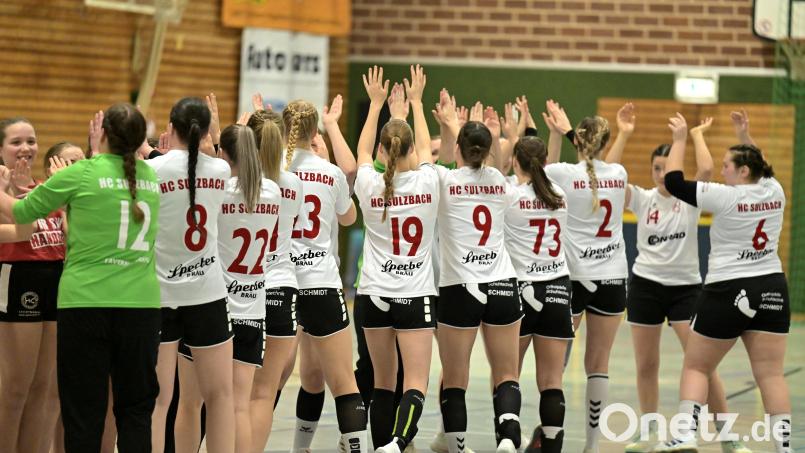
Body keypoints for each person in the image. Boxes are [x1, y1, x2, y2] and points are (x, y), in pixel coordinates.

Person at [0, 103, 162, 452]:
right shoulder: (150, 176)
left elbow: (24, 212)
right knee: (135, 412)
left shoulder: (82, 173)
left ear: (101, 134)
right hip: (142, 306)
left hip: (87, 303)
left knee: (83, 412)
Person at [603, 105, 751, 453]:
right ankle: (649, 428)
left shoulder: (690, 199)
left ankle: (726, 434)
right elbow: (610, 176)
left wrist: (693, 136)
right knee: (647, 364)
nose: (660, 173)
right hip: (645, 287)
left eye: (666, 167)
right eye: (656, 167)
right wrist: (623, 133)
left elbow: (707, 168)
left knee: (702, 363)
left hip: (685, 288)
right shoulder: (641, 198)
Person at [656, 113, 790, 453]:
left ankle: (686, 433)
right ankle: (785, 447)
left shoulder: (724, 196)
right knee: (772, 374)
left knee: (697, 365)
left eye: (729, 164)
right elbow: (766, 167)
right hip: (772, 287)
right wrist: (744, 133)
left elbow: (673, 181)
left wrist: (682, 138)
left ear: (744, 171)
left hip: (729, 288)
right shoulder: (775, 190)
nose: (723, 169)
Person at [430, 96, 523, 453]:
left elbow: (433, 154)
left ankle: (455, 445)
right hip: (501, 283)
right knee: (506, 375)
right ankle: (508, 442)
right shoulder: (500, 181)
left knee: (454, 377)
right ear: (488, 152)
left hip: (460, 287)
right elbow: (495, 161)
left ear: (457, 148)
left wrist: (448, 121)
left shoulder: (444, 181)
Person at [354, 66, 437, 452]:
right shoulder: (428, 180)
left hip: (373, 295)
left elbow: (361, 153)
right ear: (413, 151)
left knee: (383, 384)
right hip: (413, 295)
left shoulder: (369, 184)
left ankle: (382, 447)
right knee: (415, 382)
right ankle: (398, 444)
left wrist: (376, 107)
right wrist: (416, 104)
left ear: (383, 150)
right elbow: (422, 147)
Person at [148, 97, 235, 453]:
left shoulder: (153, 171)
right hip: (207, 295)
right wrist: (214, 131)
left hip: (161, 295)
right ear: (204, 132)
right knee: (220, 396)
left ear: (170, 129)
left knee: (157, 400)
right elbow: (210, 157)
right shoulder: (220, 171)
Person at [543, 101, 628, 453]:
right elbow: (603, 165)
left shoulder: (564, 173)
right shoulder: (620, 174)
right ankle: (592, 446)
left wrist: (555, 132)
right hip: (612, 278)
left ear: (576, 141)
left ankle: (551, 433)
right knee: (599, 363)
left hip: (575, 278)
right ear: (606, 144)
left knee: (555, 363)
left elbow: (543, 172)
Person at [283, 98, 367, 451]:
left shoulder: (276, 169)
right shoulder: (330, 173)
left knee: (293, 378)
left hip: (283, 286)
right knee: (343, 381)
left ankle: (298, 449)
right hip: (321, 285)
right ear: (316, 131)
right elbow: (349, 219)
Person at [498, 136, 572, 453]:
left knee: (507, 373)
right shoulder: (559, 195)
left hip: (521, 289)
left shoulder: (510, 197)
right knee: (552, 380)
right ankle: (551, 447)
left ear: (516, 161)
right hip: (557, 288)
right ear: (544, 163)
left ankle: (507, 439)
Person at [0, 117, 66, 453]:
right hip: (18, 279)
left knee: (44, 386)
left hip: (55, 278)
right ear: (1, 150)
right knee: (14, 389)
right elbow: (20, 234)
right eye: (16, 142)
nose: (25, 148)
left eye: (31, 141)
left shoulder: (44, 189)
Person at [246, 108, 305, 452]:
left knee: (235, 394)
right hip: (282, 286)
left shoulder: (236, 182)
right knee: (264, 392)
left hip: (245, 287)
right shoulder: (292, 183)